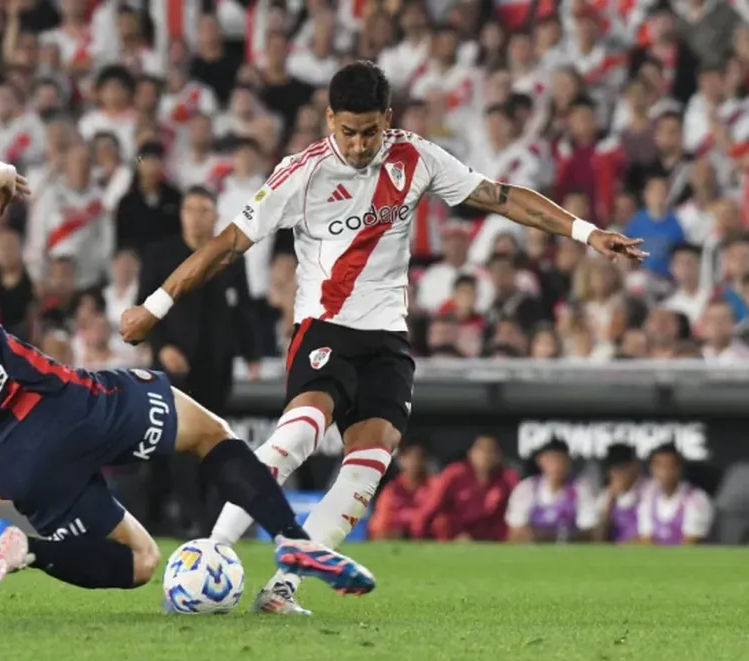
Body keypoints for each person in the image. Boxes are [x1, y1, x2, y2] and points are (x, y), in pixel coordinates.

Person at [120, 60, 647, 614]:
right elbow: (228, 244)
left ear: (386, 119)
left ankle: (283, 588)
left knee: (369, 463)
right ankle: (213, 550)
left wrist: (586, 232)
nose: (358, 143)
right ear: (329, 119)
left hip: (387, 340)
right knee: (298, 435)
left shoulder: (414, 156)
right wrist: (155, 306)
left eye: (369, 130)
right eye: (347, 131)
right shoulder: (302, 173)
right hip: (325, 327)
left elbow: (499, 196)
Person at [0, 159, 375, 623]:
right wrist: (2, 179)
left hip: (9, 464)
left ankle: (28, 550)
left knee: (141, 561)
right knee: (208, 432)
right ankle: (294, 542)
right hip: (57, 404)